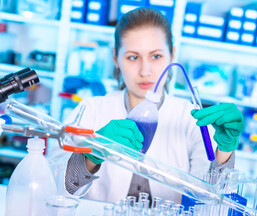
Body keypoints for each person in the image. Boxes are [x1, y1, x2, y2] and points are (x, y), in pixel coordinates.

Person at [50, 8, 244, 204]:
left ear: (172, 54)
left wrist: (224, 153)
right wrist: (92, 155)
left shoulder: (190, 117)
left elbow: (211, 197)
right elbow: (53, 183)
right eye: (133, 57)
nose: (145, 71)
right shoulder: (92, 109)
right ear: (116, 58)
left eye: (156, 56)